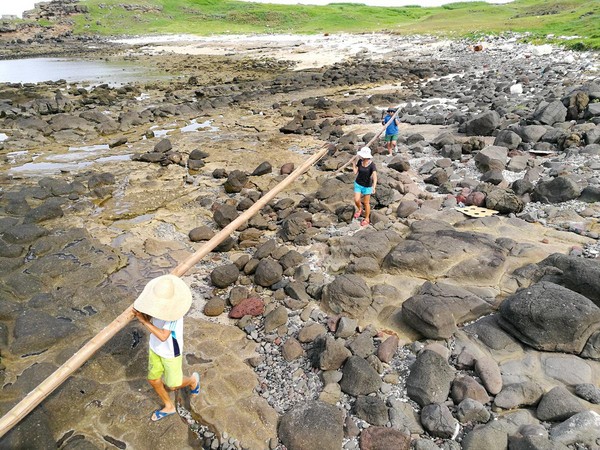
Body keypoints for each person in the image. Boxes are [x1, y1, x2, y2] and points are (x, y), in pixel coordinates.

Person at [133, 274, 200, 422]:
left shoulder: (175, 314)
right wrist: (141, 313)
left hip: (171, 352)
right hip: (154, 348)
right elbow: (147, 313)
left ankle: (192, 380)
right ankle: (169, 406)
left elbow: (163, 336)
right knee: (154, 380)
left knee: (173, 384)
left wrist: (144, 321)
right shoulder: (155, 303)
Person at [352, 146, 377, 227]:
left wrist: (374, 187)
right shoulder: (360, 161)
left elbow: (374, 177)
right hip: (358, 183)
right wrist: (353, 164)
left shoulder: (372, 165)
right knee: (356, 200)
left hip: (367, 186)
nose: (360, 156)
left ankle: (367, 218)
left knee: (366, 203)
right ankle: (360, 209)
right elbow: (356, 172)